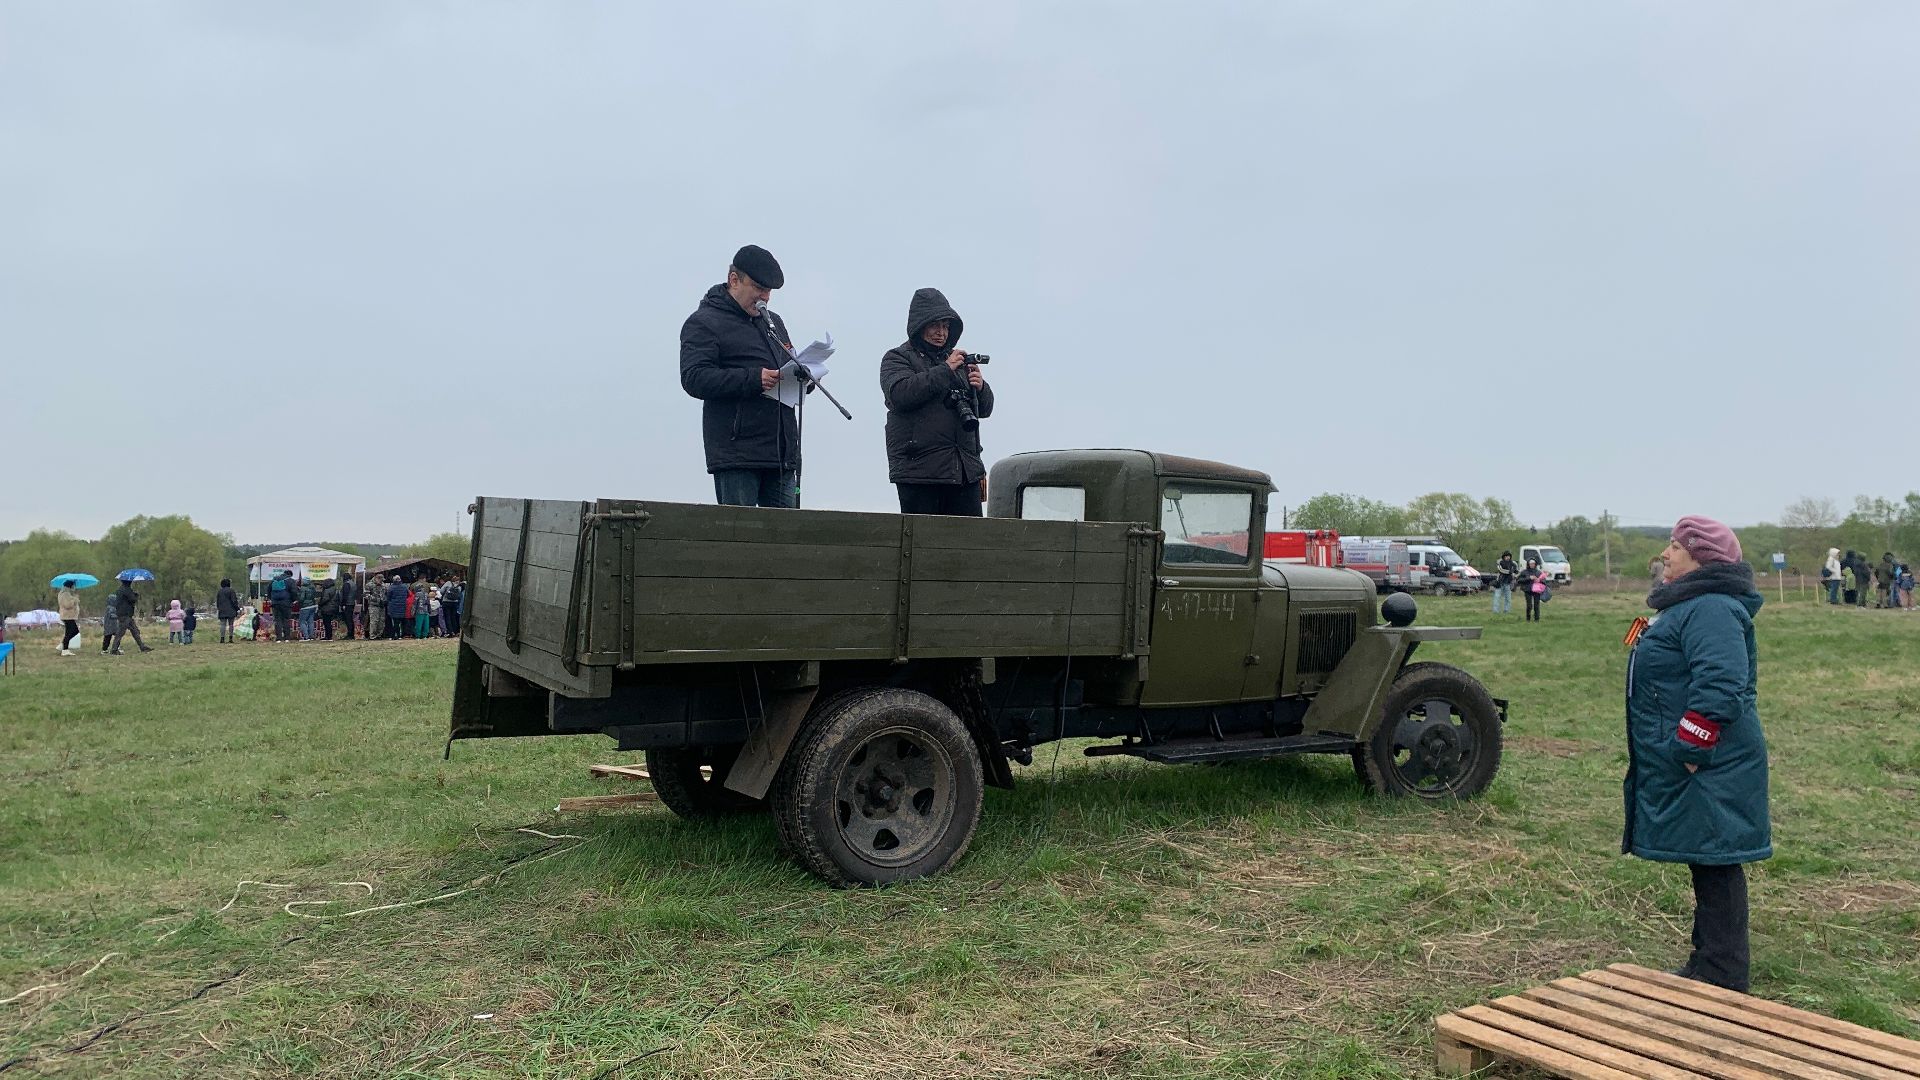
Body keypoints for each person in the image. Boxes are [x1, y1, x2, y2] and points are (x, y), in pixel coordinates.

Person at [1624, 515, 1769, 992]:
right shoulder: (1691, 605)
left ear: (1700, 557)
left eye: (1675, 546)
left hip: (1711, 761)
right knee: (1707, 857)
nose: (1666, 554)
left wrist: (1692, 746)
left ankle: (1722, 974)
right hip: (1703, 760)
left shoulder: (1710, 608)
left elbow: (1722, 683)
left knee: (1716, 859)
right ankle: (1709, 964)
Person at [679, 244, 802, 508]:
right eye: (758, 288)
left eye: (769, 291)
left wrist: (803, 377)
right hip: (736, 455)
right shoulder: (703, 322)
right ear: (734, 280)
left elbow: (786, 364)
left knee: (789, 533)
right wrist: (753, 379)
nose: (765, 297)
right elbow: (694, 378)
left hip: (781, 454)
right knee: (738, 532)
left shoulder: (773, 322)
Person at [880, 288, 995, 515]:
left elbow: (985, 410)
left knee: (970, 536)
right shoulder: (897, 357)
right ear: (920, 325)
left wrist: (981, 388)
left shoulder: (958, 362)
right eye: (934, 325)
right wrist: (945, 370)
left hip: (965, 471)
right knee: (922, 536)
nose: (941, 333)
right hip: (919, 472)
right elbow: (900, 394)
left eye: (945, 326)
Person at [110, 577, 152, 654]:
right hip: (125, 614)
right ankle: (114, 649)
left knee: (135, 631)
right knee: (121, 632)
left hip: (124, 614)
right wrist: (136, 595)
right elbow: (132, 599)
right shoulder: (127, 590)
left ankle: (142, 646)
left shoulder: (120, 590)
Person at [268, 571, 296, 643]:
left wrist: (271, 599)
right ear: (290, 575)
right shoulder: (290, 581)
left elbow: (269, 590)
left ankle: (279, 638)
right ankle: (287, 638)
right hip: (286, 603)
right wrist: (293, 600)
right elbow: (294, 592)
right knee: (286, 620)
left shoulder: (274, 579)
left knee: (277, 620)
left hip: (275, 603)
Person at [56, 579, 81, 656]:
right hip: (67, 616)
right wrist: (75, 599)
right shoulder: (65, 594)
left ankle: (64, 646)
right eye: (73, 585)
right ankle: (64, 648)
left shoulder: (66, 593)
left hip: (68, 616)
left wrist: (74, 598)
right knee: (74, 631)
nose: (74, 587)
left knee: (68, 632)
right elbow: (67, 605)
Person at [1518, 557, 1547, 622]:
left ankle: (1537, 620)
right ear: (1528, 564)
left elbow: (1544, 581)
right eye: (1531, 564)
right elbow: (1519, 580)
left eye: (1533, 564)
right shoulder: (1524, 572)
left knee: (1536, 605)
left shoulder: (1538, 572)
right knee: (1529, 606)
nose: (1532, 565)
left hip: (1537, 591)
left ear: (1535, 564)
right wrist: (1529, 578)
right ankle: (1528, 619)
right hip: (1527, 590)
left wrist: (1539, 580)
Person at [215, 578, 242, 643]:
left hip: (222, 610)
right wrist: (237, 608)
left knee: (223, 625)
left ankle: (222, 638)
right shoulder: (231, 591)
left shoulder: (219, 591)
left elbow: (218, 601)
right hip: (231, 610)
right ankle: (230, 638)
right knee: (231, 624)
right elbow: (234, 601)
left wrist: (219, 608)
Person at [385, 575, 410, 640]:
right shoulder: (405, 587)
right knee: (399, 622)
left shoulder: (391, 587)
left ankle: (393, 635)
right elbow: (408, 595)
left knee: (395, 622)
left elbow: (388, 597)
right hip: (402, 606)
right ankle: (399, 635)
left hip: (393, 607)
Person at [336, 574, 358, 640]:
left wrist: (343, 604)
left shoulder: (346, 584)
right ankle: (351, 634)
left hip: (347, 604)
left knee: (348, 619)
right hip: (352, 603)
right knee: (350, 619)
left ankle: (350, 634)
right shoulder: (353, 584)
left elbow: (345, 595)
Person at [367, 574, 387, 641]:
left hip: (382, 606)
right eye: (380, 580)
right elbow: (366, 595)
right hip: (373, 606)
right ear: (377, 578)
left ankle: (379, 635)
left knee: (381, 621)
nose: (381, 582)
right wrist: (376, 599)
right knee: (374, 621)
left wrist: (385, 600)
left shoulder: (383, 585)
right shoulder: (369, 585)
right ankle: (372, 636)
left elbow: (386, 593)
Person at [298, 577, 318, 641]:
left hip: (305, 607)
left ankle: (306, 637)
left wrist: (298, 600)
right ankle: (311, 636)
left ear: (304, 581)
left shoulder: (303, 588)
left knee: (302, 622)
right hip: (313, 606)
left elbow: (301, 598)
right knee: (310, 622)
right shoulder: (313, 587)